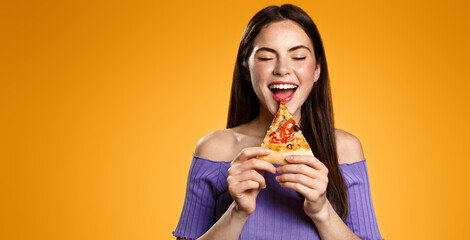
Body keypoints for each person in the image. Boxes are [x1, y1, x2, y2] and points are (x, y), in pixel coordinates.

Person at [173, 4, 383, 240]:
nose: (282, 69)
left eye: (299, 56)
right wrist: (238, 212)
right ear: (246, 70)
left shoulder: (344, 149)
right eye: (265, 57)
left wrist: (321, 210)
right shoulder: (214, 149)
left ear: (317, 71)